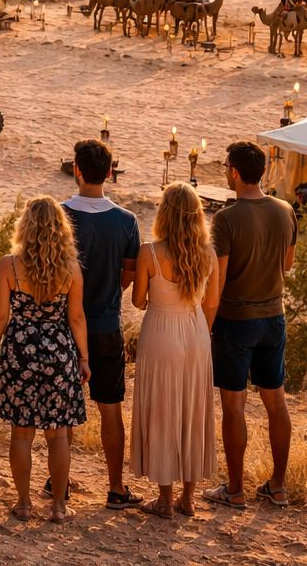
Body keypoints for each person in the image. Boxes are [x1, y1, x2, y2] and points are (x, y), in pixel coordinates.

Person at [203, 142, 296, 510]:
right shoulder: (286, 210)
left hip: (235, 320)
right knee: (276, 401)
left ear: (236, 173)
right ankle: (278, 486)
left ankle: (236, 488)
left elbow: (219, 279)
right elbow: (287, 265)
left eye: (226, 167)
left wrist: (206, 323)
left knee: (234, 405)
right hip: (274, 317)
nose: (226, 172)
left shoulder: (226, 218)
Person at [0, 198, 89, 523]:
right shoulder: (71, 268)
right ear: (61, 230)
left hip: (19, 348)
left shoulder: (10, 264)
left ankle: (23, 503)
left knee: (22, 433)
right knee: (58, 434)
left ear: (25, 227)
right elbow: (76, 318)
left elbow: (1, 314)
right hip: (58, 350)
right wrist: (84, 358)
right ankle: (59, 507)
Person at [60, 138, 143, 510]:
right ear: (110, 172)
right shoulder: (127, 221)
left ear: (76, 169)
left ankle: (58, 481)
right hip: (107, 325)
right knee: (110, 407)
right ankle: (115, 487)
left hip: (62, 326)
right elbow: (128, 278)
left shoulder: (58, 215)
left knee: (63, 408)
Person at [131, 184, 220, 518]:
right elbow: (211, 303)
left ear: (164, 213)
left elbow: (139, 301)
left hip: (160, 333)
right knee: (192, 410)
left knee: (163, 410)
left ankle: (165, 500)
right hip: (196, 333)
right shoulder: (208, 253)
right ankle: (188, 498)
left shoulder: (149, 252)